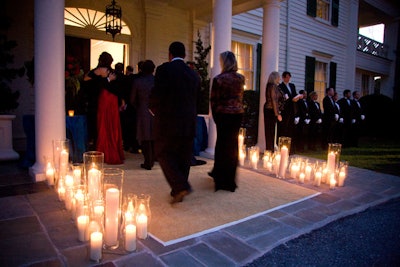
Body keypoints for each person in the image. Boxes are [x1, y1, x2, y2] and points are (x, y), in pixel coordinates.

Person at [149, 41, 200, 204]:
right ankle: (178, 189)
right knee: (183, 156)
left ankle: (180, 186)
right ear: (184, 56)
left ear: (170, 54)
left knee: (163, 153)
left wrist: (153, 108)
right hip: (189, 122)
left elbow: (157, 93)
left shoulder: (163, 69)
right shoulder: (193, 74)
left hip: (168, 121)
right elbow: (195, 98)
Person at [208, 51, 245, 192]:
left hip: (223, 115)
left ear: (224, 62)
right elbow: (240, 97)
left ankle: (220, 180)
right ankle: (230, 181)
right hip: (237, 115)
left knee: (222, 146)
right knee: (233, 147)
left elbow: (214, 100)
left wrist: (217, 117)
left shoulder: (219, 79)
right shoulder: (241, 78)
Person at [84, 52, 124, 164]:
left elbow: (86, 80)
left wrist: (104, 80)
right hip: (112, 100)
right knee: (112, 124)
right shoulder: (113, 73)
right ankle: (113, 150)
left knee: (103, 124)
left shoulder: (98, 71)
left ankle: (103, 151)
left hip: (104, 99)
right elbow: (118, 88)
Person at [130, 60, 156, 170]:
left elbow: (132, 99)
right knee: (154, 136)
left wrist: (139, 107)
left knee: (144, 137)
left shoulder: (138, 82)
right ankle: (152, 159)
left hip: (143, 110)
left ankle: (147, 161)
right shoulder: (157, 81)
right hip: (155, 112)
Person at [278, 71, 303, 152]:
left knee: (290, 128)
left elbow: (294, 95)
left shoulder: (292, 86)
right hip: (285, 109)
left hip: (292, 108)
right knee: (284, 127)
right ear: (283, 77)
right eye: (287, 77)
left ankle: (290, 147)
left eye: (289, 77)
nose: (288, 78)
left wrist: (298, 97)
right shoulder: (280, 86)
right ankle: (282, 146)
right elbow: (281, 97)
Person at [121, 63, 141, 153]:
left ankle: (129, 145)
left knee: (130, 127)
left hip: (131, 106)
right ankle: (137, 146)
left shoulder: (131, 78)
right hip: (141, 107)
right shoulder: (150, 79)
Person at [264, 71, 285, 152]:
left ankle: (270, 150)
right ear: (275, 78)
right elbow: (274, 100)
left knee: (270, 132)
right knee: (270, 132)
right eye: (278, 77)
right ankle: (269, 151)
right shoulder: (273, 86)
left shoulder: (272, 86)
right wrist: (277, 114)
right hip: (270, 110)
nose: (279, 78)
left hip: (269, 109)